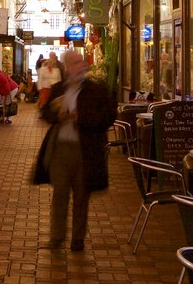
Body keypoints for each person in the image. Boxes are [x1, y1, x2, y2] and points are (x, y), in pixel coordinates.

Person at [32, 50, 117, 252]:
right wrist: (56, 114)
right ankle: (56, 237)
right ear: (66, 67)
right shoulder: (58, 88)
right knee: (60, 193)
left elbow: (108, 117)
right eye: (74, 63)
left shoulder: (97, 90)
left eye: (80, 62)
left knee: (81, 195)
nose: (79, 66)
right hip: (61, 149)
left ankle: (77, 239)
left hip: (85, 149)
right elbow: (45, 114)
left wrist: (82, 118)